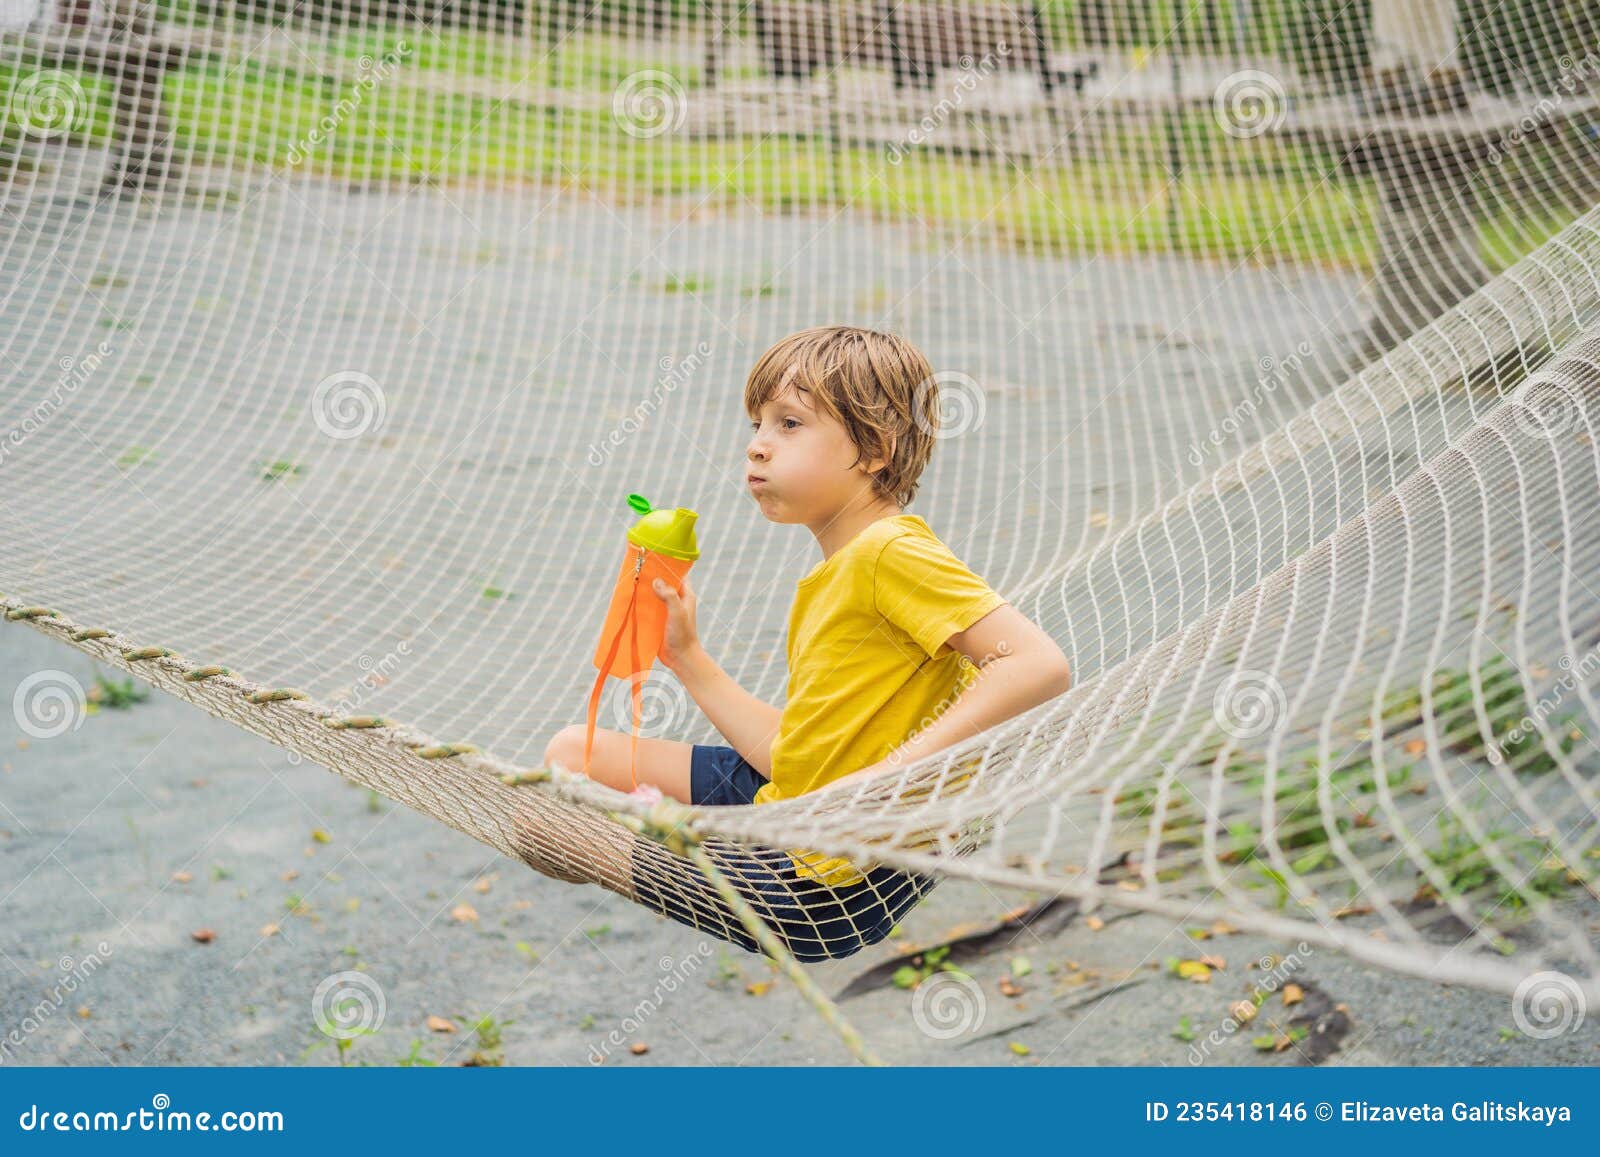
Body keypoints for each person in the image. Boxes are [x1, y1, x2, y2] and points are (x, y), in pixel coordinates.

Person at [542, 325, 1072, 960]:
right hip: (801, 805)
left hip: (821, 888)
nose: (758, 447)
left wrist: (885, 780)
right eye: (757, 425)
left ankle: (674, 840)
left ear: (876, 449)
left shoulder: (889, 551)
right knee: (572, 754)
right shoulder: (842, 565)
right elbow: (799, 752)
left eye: (789, 424)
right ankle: (676, 837)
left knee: (544, 826)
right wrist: (687, 658)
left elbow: (1038, 664)